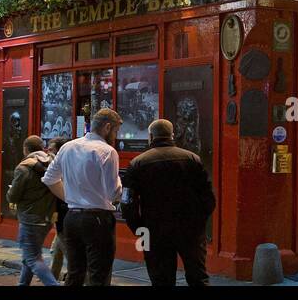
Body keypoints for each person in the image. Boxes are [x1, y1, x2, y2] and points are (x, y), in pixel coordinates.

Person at [122, 119, 216, 287]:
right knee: (198, 277)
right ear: (172, 135)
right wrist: (200, 221)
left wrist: (138, 227)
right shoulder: (193, 159)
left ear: (151, 136)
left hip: (154, 229)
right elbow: (208, 197)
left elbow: (128, 202)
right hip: (190, 228)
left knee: (161, 279)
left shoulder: (137, 163)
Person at [42, 108, 123, 286]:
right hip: (98, 219)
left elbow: (49, 179)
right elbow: (113, 193)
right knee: (98, 274)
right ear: (107, 127)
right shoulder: (108, 151)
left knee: (75, 272)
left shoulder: (67, 147)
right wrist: (120, 189)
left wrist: (70, 198)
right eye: (116, 131)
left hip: (71, 218)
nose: (115, 136)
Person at [7, 135, 59, 286]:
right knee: (29, 256)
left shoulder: (24, 168)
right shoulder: (52, 163)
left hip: (30, 219)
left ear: (25, 149)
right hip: (48, 218)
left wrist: (9, 192)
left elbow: (13, 196)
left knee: (33, 259)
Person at [46, 137, 69, 281]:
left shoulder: (63, 168)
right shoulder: (55, 166)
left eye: (51, 149)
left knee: (73, 259)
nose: (48, 151)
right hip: (60, 219)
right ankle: (51, 280)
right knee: (56, 254)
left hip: (65, 219)